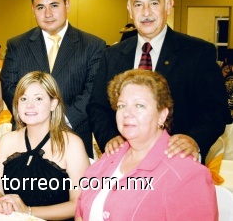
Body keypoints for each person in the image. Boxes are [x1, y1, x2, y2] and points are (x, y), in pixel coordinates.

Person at [89, 0, 231, 162]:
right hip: (124, 160)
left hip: (177, 161)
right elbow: (97, 107)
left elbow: (216, 111)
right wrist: (109, 138)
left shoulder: (198, 53)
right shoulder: (112, 55)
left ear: (168, 5)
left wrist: (194, 140)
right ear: (130, 10)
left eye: (154, 3)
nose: (146, 12)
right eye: (138, 5)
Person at [76, 69, 217, 220]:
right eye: (122, 105)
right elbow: (81, 210)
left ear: (162, 115)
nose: (127, 113)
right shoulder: (110, 156)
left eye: (139, 105)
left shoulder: (187, 174)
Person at [0, 0, 106, 157]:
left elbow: (93, 91)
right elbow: (9, 87)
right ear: (33, 10)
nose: (47, 13)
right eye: (40, 7)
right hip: (26, 137)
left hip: (73, 135)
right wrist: (34, 117)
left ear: (67, 5)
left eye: (54, 5)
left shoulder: (92, 45)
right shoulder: (17, 45)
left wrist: (60, 120)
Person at [0, 71, 89, 220]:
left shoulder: (72, 144)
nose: (29, 105)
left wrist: (28, 211)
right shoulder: (6, 140)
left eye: (38, 99)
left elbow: (80, 203)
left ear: (53, 103)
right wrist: (1, 203)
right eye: (23, 99)